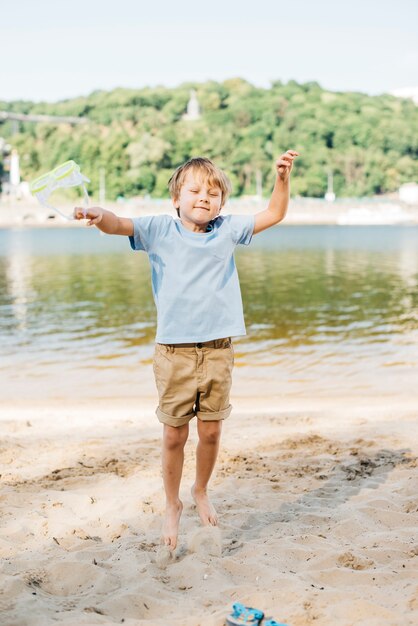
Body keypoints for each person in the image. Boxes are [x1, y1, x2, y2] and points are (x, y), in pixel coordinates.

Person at [74, 150, 299, 551]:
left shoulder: (228, 229)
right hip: (174, 353)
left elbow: (274, 213)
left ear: (222, 203)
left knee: (211, 431)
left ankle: (200, 489)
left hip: (217, 351)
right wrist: (97, 214)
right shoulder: (159, 229)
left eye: (213, 193)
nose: (203, 198)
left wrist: (281, 177)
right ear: (176, 198)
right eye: (193, 190)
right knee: (174, 435)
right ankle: (172, 502)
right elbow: (117, 224)